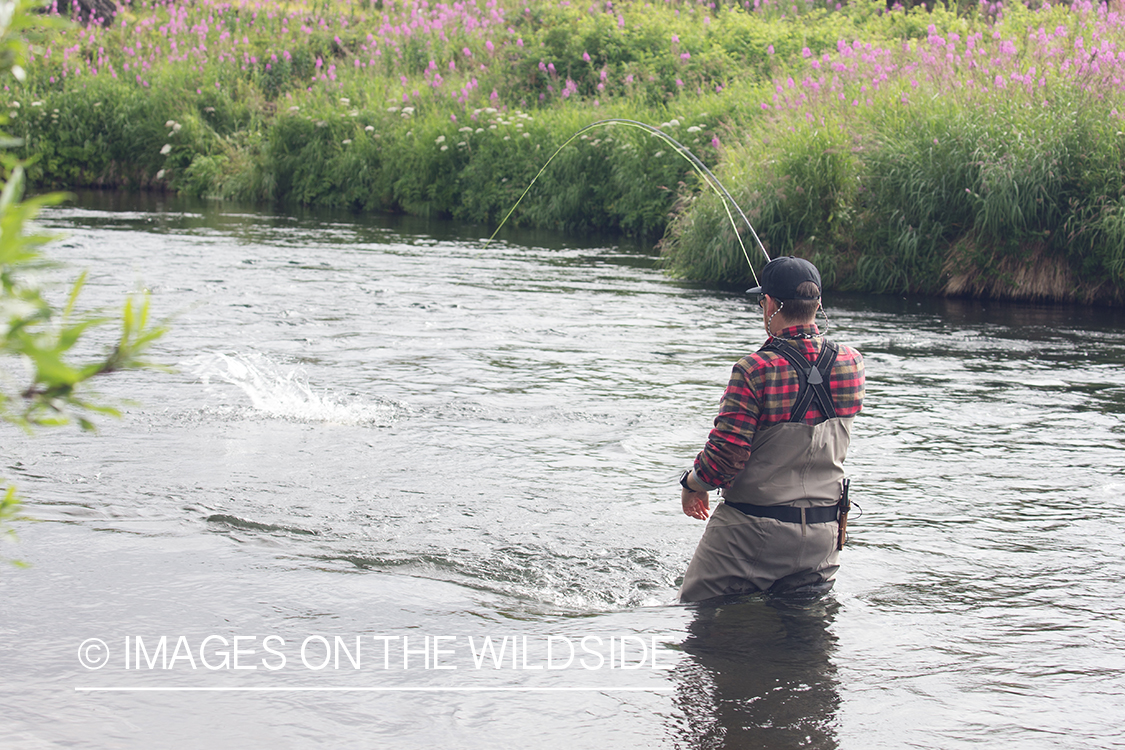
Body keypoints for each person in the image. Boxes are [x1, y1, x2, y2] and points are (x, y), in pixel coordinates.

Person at [677, 256, 865, 603]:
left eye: (762, 301)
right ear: (818, 304)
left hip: (750, 533)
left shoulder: (754, 370)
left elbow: (725, 458)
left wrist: (691, 483)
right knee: (805, 643)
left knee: (699, 624)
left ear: (771, 305)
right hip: (824, 534)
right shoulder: (851, 362)